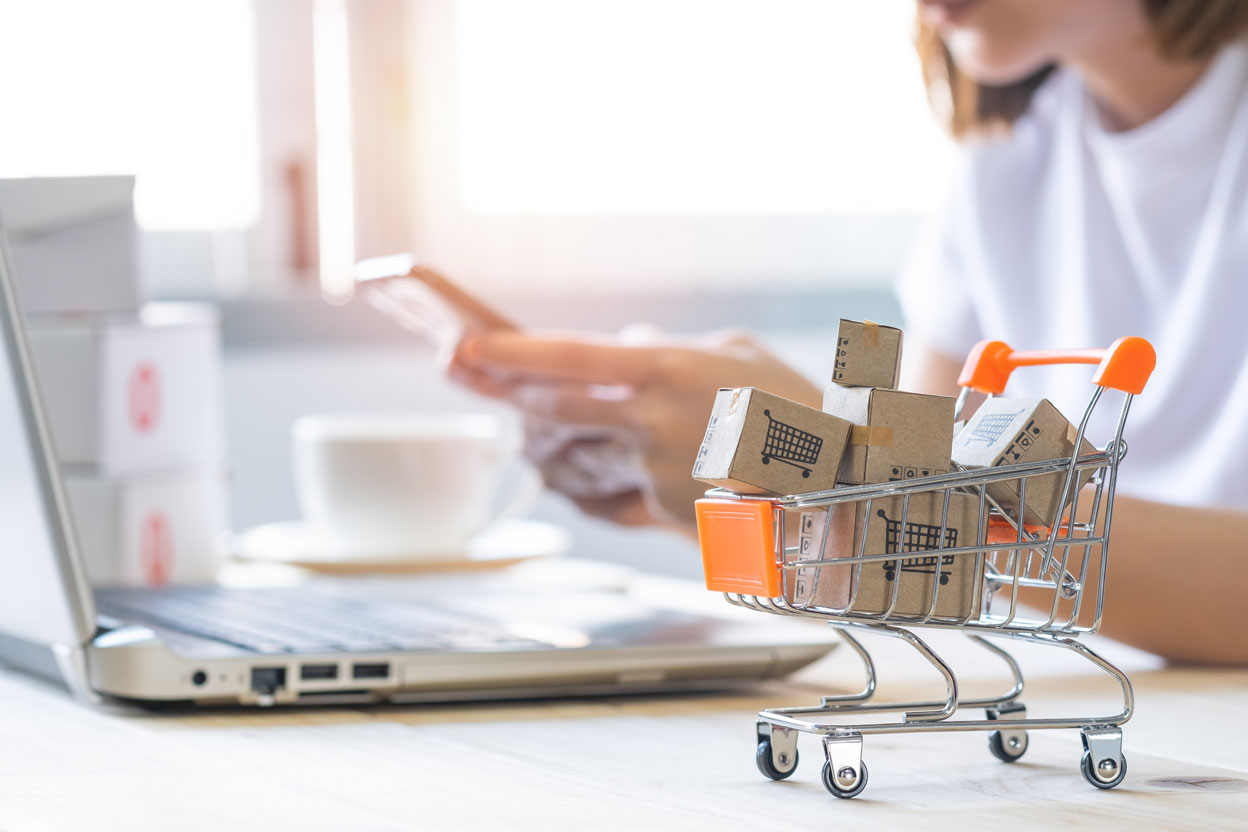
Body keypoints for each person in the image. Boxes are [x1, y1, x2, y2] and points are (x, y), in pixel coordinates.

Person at [449, 0, 1248, 665]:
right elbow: (919, 553)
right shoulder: (1004, 163)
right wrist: (748, 482)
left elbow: (923, 505)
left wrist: (832, 464)